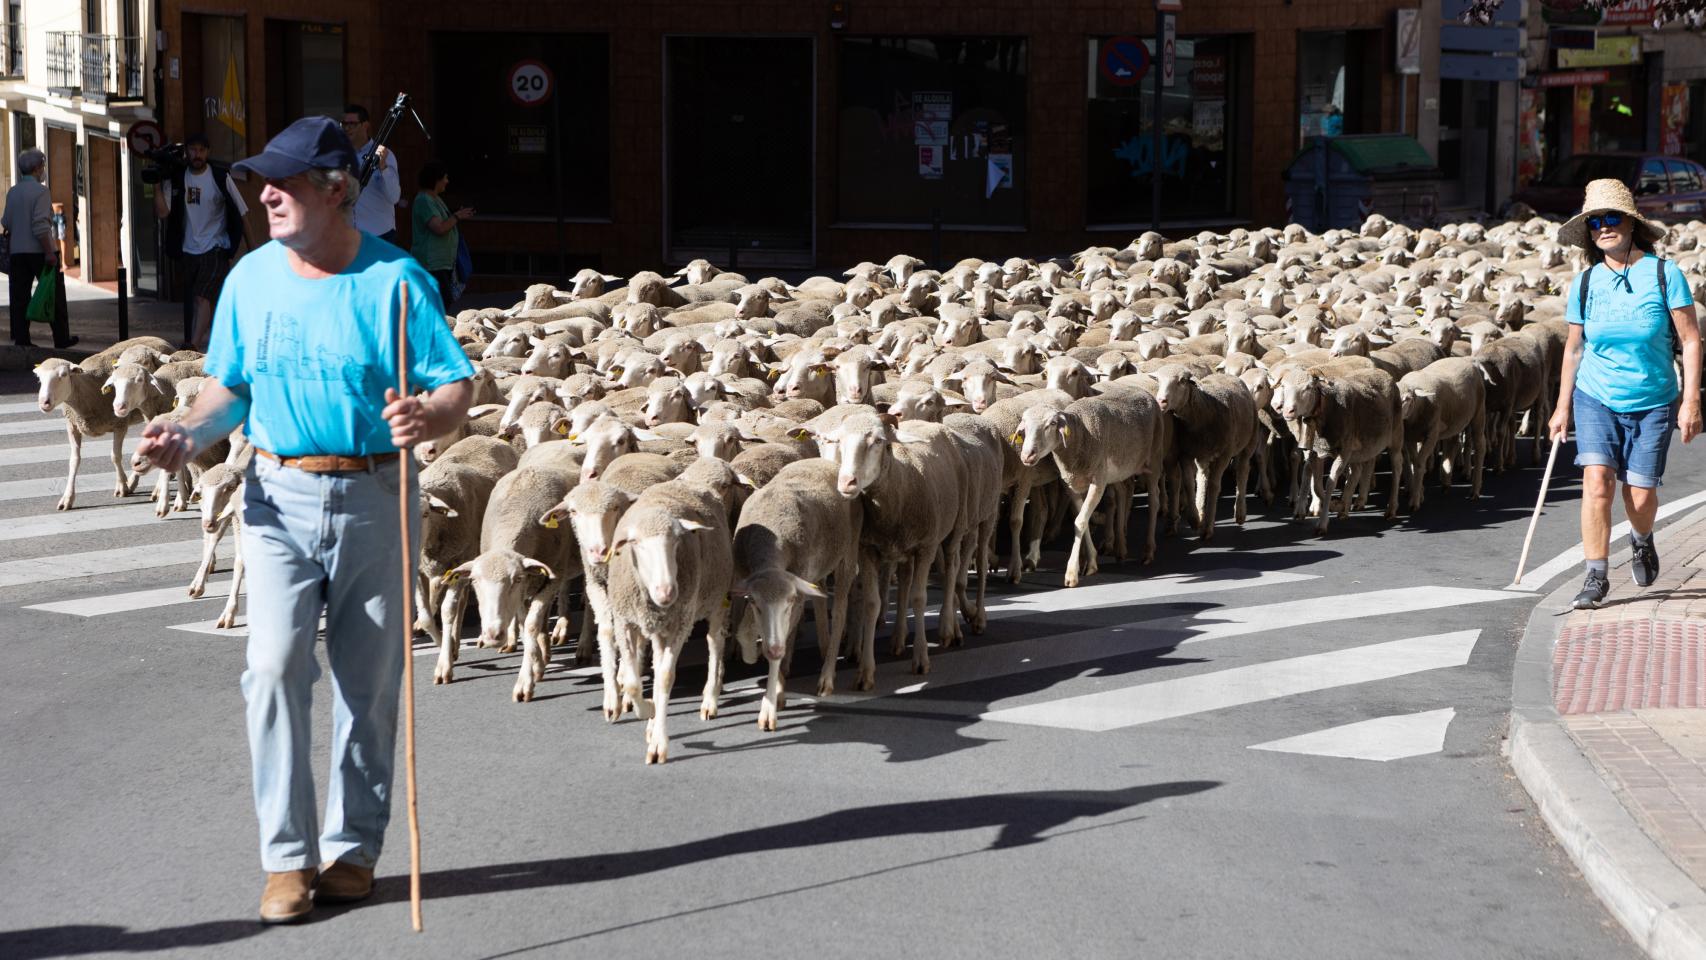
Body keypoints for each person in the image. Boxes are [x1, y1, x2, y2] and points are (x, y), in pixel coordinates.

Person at [134, 116, 474, 924]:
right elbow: (228, 389)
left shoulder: (396, 282)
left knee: (369, 683)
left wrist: (429, 416)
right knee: (274, 666)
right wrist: (186, 433)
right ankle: (286, 859)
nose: (265, 196)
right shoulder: (251, 279)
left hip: (376, 494)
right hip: (276, 494)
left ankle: (352, 850)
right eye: (263, 183)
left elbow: (456, 386)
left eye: (284, 183)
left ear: (336, 190)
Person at [1547, 178, 1702, 609]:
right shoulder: (1585, 283)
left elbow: (1691, 340)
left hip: (1653, 399)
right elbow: (1574, 348)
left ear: (1633, 224)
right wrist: (1561, 407)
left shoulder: (1664, 275)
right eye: (1595, 222)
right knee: (1597, 481)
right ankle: (1595, 576)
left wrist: (1691, 400)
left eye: (1612, 218)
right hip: (1595, 396)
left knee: (1640, 493)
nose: (1604, 228)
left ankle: (1641, 538)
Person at [154, 132, 249, 351]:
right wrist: (157, 186)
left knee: (202, 297)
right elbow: (163, 212)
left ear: (208, 152)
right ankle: (225, 342)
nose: (197, 154)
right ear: (187, 152)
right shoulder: (178, 178)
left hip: (216, 247)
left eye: (201, 150)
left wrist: (253, 250)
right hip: (189, 249)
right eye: (193, 150)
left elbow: (243, 213)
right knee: (209, 301)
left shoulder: (220, 177)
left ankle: (194, 345)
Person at [2, 147, 74, 348]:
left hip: (17, 252)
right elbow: (41, 225)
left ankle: (22, 339)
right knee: (53, 294)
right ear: (36, 168)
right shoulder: (41, 192)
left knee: (19, 298)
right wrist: (49, 252)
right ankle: (61, 338)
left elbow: (6, 221)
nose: (43, 169)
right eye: (43, 165)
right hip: (40, 252)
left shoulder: (13, 192)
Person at [410, 160, 472, 308]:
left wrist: (457, 215)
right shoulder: (424, 200)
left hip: (441, 264)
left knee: (443, 302)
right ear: (436, 179)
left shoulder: (435, 198)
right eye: (445, 177)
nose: (447, 181)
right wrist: (457, 216)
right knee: (439, 304)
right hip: (431, 264)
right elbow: (439, 228)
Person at [342, 103, 402, 244]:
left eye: (352, 124)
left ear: (365, 126)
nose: (347, 128)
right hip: (350, 236)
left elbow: (394, 197)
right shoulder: (340, 155)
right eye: (344, 124)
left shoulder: (386, 155)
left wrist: (383, 167)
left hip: (380, 234)